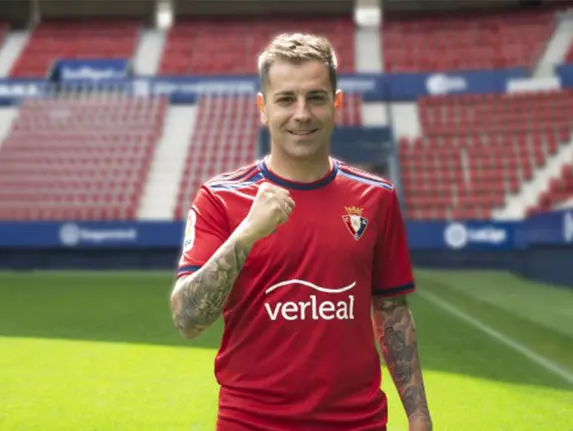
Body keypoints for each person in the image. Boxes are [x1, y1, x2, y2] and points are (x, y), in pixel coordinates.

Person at [170, 33, 433, 431]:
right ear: (263, 108)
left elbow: (392, 313)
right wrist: (245, 235)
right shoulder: (220, 199)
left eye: (315, 97)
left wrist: (418, 416)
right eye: (286, 99)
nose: (302, 113)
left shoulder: (377, 198)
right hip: (252, 423)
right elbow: (186, 319)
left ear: (336, 104)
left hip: (356, 423)